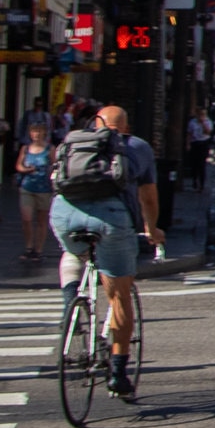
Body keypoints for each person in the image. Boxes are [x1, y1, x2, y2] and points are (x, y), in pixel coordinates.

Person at [56, 105, 160, 396]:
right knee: (118, 295)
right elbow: (148, 197)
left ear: (96, 123)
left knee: (73, 252)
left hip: (65, 214)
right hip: (111, 219)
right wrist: (152, 229)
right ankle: (118, 372)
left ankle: (70, 303)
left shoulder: (73, 141)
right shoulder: (137, 146)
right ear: (125, 126)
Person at [13, 120, 55, 262]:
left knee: (42, 220)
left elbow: (55, 165)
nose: (36, 134)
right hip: (27, 186)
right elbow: (18, 165)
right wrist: (26, 169)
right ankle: (28, 246)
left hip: (44, 187)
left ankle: (38, 249)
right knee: (27, 218)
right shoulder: (25, 148)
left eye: (39, 131)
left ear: (44, 132)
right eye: (33, 131)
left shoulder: (50, 149)